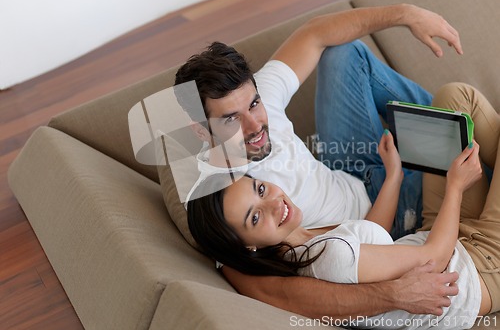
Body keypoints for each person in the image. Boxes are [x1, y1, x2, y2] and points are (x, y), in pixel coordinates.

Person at [174, 4, 463, 319]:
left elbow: (314, 34)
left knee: (344, 53)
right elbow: (272, 292)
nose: (255, 126)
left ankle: (455, 128)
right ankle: (460, 135)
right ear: (201, 131)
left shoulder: (249, 97)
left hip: (349, 169)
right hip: (378, 223)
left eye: (254, 104)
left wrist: (407, 15)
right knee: (464, 152)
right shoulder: (218, 198)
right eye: (231, 120)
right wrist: (391, 294)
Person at [187, 83, 500, 329]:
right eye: (255, 217)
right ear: (247, 247)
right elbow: (433, 260)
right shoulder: (327, 256)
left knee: (453, 98)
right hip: (482, 268)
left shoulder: (297, 247)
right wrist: (455, 188)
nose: (273, 202)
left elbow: (372, 234)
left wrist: (393, 175)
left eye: (260, 189)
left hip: (440, 238)